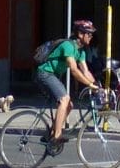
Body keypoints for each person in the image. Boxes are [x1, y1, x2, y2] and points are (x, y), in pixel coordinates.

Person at [38, 20, 98, 151]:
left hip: (53, 76)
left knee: (69, 105)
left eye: (92, 34)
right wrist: (88, 84)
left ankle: (51, 135)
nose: (91, 37)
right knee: (64, 99)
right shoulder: (68, 45)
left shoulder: (81, 51)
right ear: (80, 34)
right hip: (45, 74)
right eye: (89, 34)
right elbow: (74, 70)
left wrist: (96, 86)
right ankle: (56, 136)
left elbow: (85, 71)